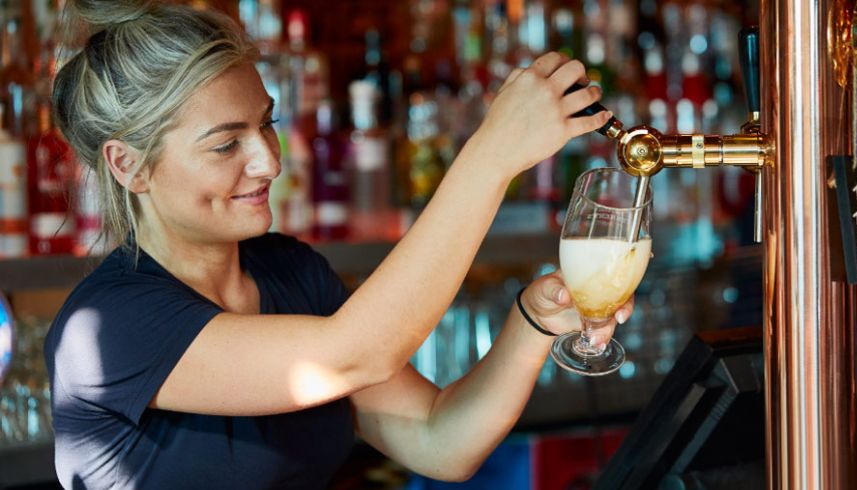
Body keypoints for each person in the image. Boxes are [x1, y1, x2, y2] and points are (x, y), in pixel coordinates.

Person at [42, 1, 628, 488]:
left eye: (266, 124)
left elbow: (439, 439)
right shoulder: (108, 327)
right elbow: (351, 354)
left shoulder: (293, 275)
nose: (269, 161)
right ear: (128, 166)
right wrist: (491, 155)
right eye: (226, 145)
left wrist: (534, 322)